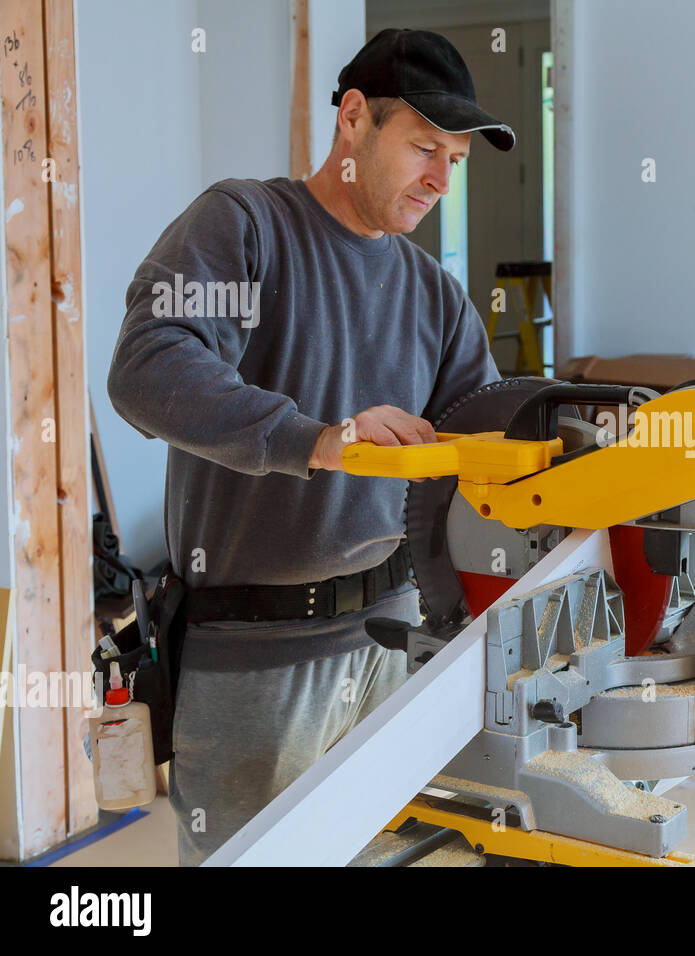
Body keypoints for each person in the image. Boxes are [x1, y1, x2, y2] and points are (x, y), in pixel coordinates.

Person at [106, 28, 514, 865]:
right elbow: (147, 367)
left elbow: (486, 432)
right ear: (354, 119)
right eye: (424, 149)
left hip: (393, 635)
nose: (440, 179)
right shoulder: (245, 224)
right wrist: (316, 439)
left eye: (457, 162)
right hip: (258, 656)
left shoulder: (430, 290)